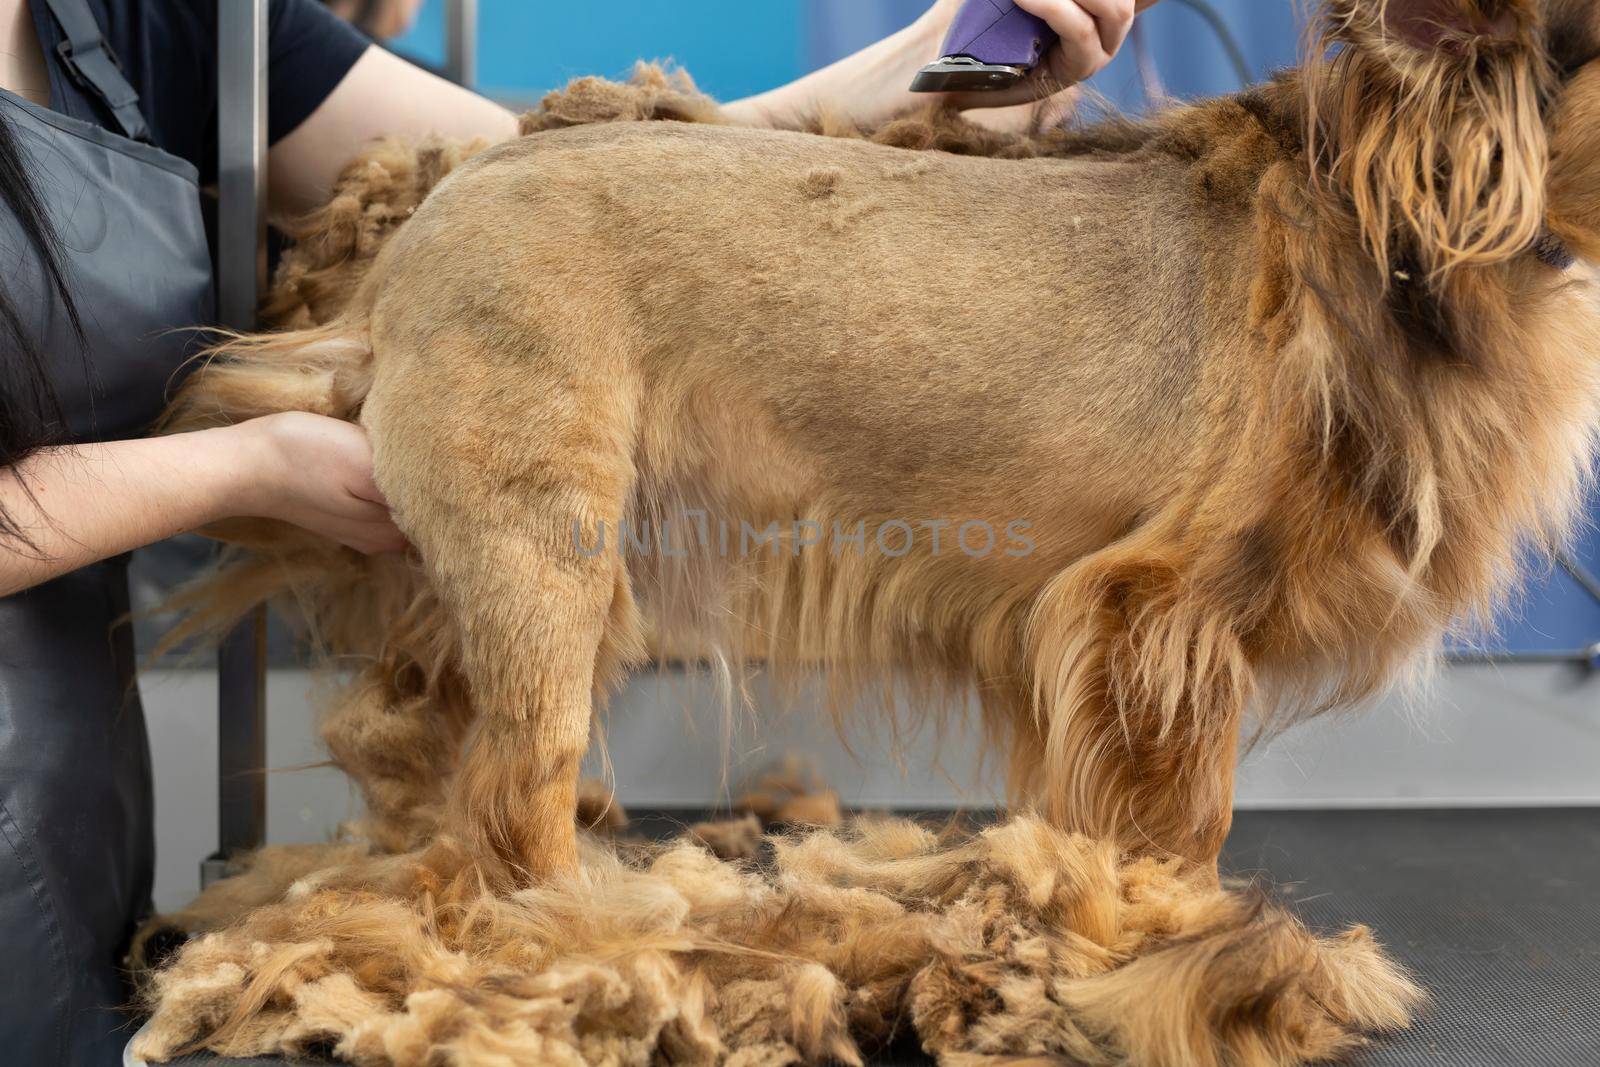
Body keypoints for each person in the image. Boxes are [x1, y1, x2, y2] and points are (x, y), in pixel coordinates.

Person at [0, 0, 1145, 1061]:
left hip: (64, 820)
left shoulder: (154, 20)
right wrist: (234, 464)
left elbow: (560, 192)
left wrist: (930, 61)